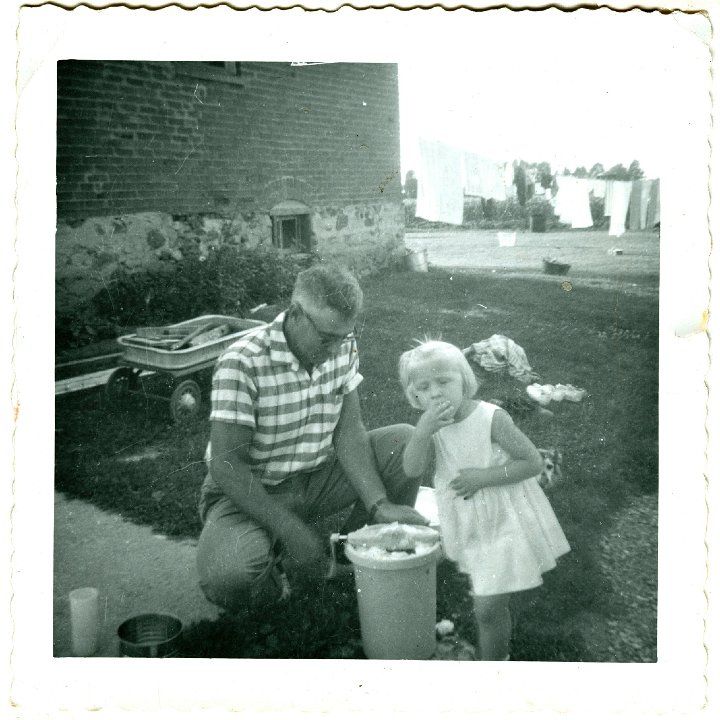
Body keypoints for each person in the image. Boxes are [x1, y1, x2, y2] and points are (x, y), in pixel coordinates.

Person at [196, 263, 429, 612]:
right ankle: (282, 573)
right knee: (229, 577)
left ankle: (355, 554)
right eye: (326, 339)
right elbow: (228, 467)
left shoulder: (341, 348)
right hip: (251, 487)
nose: (336, 349)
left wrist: (379, 504)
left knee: (404, 441)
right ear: (294, 314)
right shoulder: (241, 362)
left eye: (344, 337)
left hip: (318, 478)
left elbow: (350, 432)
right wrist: (290, 530)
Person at [398, 340, 570, 660]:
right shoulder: (432, 425)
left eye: (444, 381)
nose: (435, 392)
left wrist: (482, 477)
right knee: (486, 600)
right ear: (415, 395)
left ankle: (494, 667)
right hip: (470, 519)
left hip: (504, 517)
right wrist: (421, 433)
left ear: (465, 380)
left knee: (488, 608)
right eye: (424, 386)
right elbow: (411, 469)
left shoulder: (491, 418)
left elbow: (531, 463)